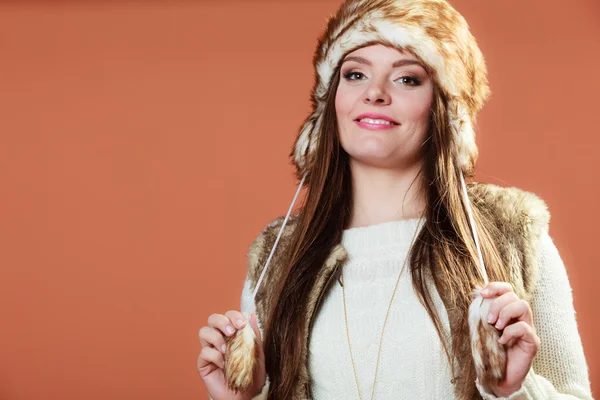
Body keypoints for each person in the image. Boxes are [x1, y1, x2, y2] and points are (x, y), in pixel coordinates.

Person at [197, 0, 594, 399]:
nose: (374, 93)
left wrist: (512, 392)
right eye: (355, 74)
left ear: (446, 109)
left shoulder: (515, 236)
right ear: (331, 101)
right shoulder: (277, 256)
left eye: (406, 79)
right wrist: (245, 398)